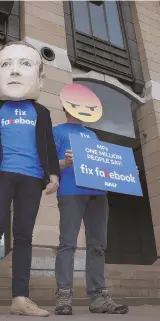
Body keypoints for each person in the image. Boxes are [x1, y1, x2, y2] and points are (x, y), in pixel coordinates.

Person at [0, 41, 60, 317]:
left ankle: (21, 298)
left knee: (23, 237)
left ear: (39, 78)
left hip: (32, 178)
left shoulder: (42, 112)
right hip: (1, 173)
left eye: (24, 65)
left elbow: (48, 145)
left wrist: (53, 174)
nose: (16, 72)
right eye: (7, 65)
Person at [53, 84, 129, 315]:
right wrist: (65, 163)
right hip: (70, 191)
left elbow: (101, 163)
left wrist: (125, 169)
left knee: (98, 245)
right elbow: (46, 164)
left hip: (97, 193)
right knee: (68, 243)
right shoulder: (57, 132)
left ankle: (98, 297)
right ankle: (63, 295)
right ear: (67, 105)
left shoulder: (93, 134)